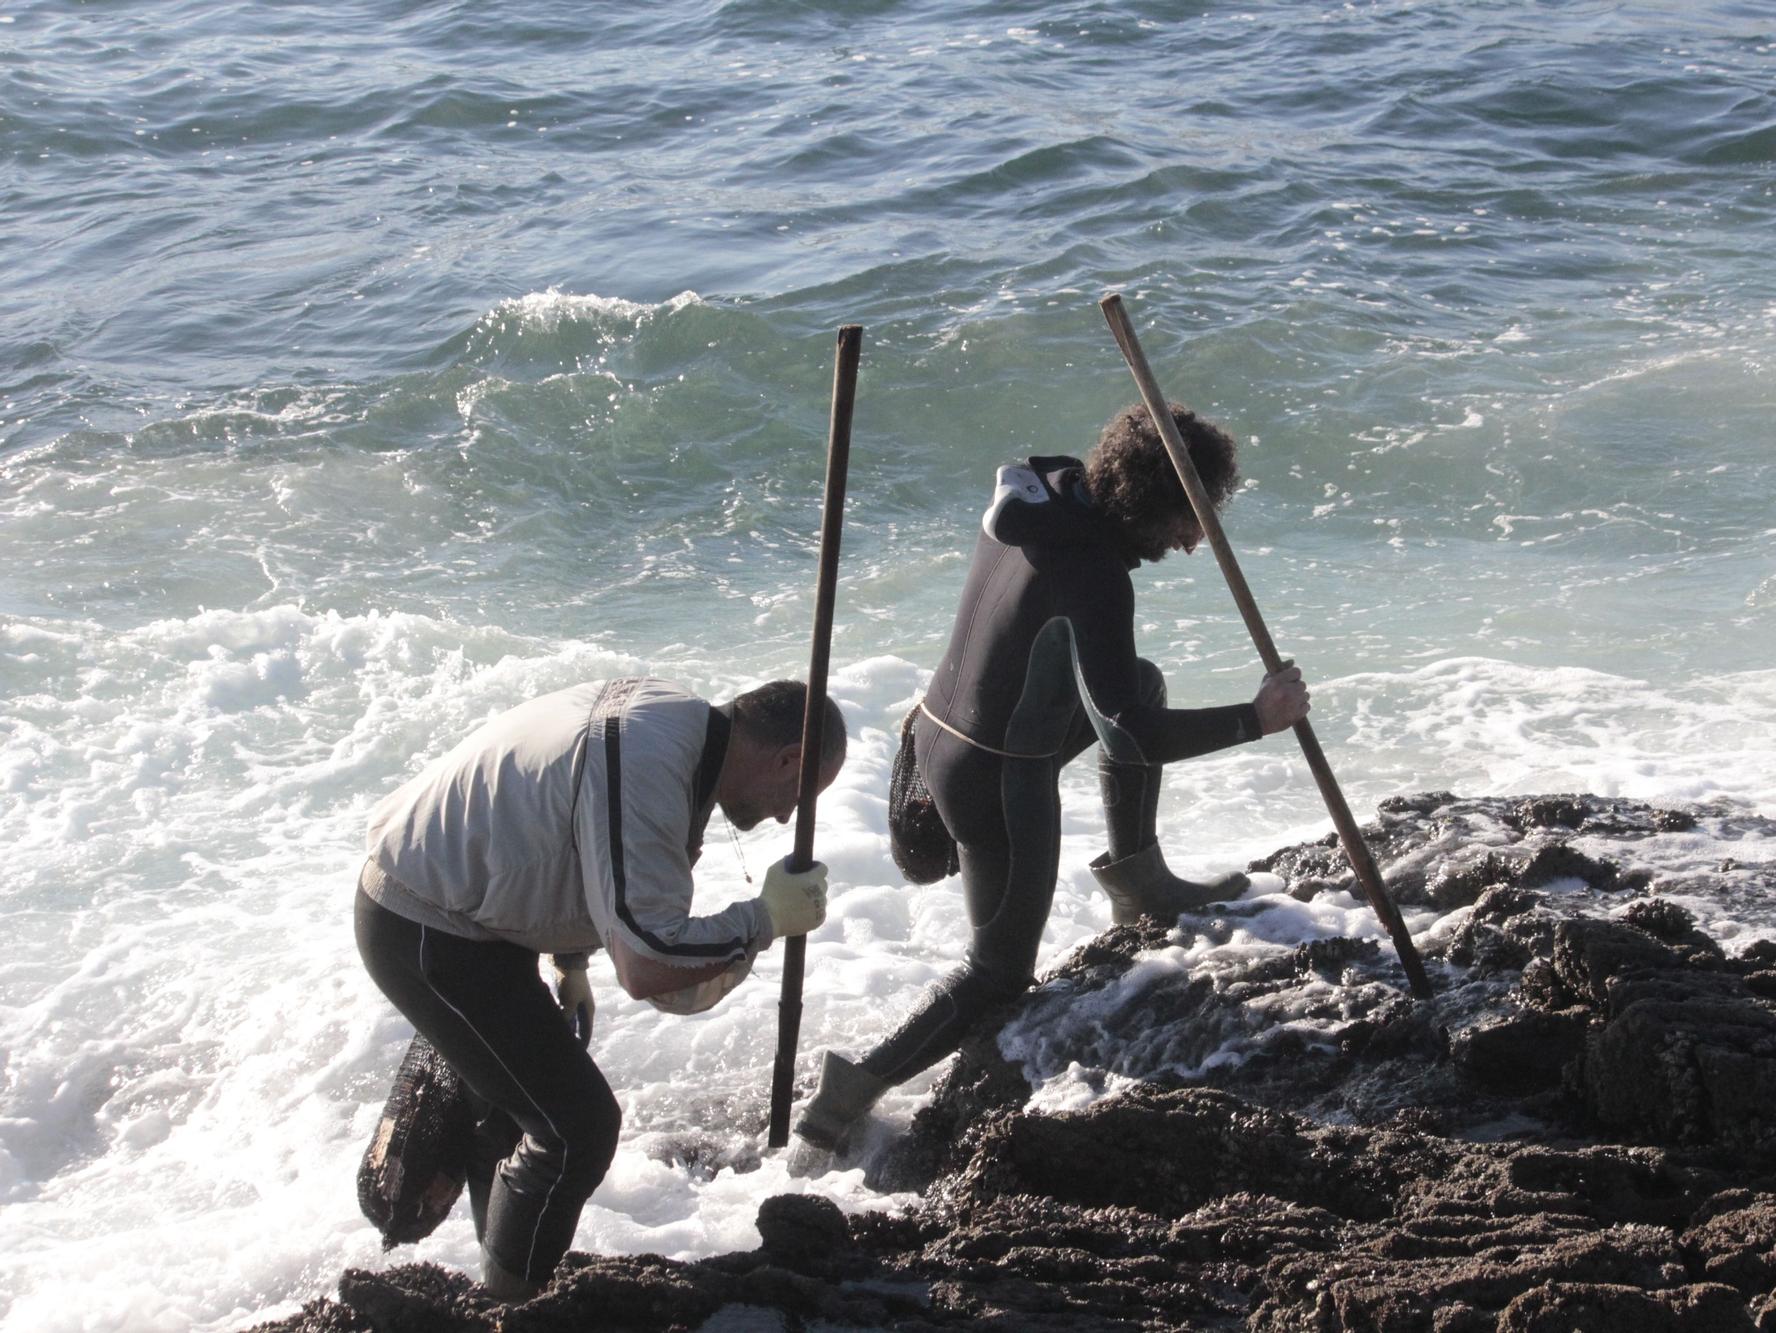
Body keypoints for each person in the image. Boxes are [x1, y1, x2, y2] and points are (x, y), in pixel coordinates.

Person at [796, 403, 1309, 1151]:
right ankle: (850, 1092)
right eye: (1188, 517)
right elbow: (1131, 734)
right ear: (1150, 500)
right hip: (994, 781)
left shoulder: (1045, 494)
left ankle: (1141, 881)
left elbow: (1121, 697)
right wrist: (1255, 719)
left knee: (1143, 679)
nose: (1196, 542)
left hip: (940, 731)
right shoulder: (1095, 572)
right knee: (997, 974)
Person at [353, 676, 844, 1300]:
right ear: (788, 759)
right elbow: (648, 962)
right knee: (575, 1129)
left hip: (478, 922)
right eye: (798, 796)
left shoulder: (679, 729)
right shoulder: (653, 761)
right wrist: (765, 919)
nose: (784, 815)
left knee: (517, 1119)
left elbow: (567, 831)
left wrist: (570, 957)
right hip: (423, 928)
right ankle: (514, 1310)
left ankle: (502, 1286)